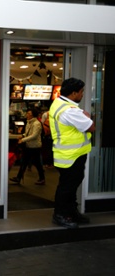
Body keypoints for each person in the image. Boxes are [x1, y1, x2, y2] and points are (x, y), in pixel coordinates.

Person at [49, 78, 95, 229]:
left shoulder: (59, 104)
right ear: (74, 93)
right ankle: (60, 214)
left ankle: (71, 212)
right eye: (81, 92)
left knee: (70, 185)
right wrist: (87, 117)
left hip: (69, 154)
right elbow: (91, 127)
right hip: (71, 155)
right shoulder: (69, 111)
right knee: (67, 187)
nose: (82, 94)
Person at [9, 108, 46, 185]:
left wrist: (23, 140)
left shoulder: (37, 124)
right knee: (24, 162)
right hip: (29, 146)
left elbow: (34, 135)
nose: (27, 115)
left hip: (35, 146)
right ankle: (18, 178)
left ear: (32, 115)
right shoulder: (29, 123)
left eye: (28, 114)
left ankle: (42, 178)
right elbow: (27, 133)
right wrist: (22, 136)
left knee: (37, 163)